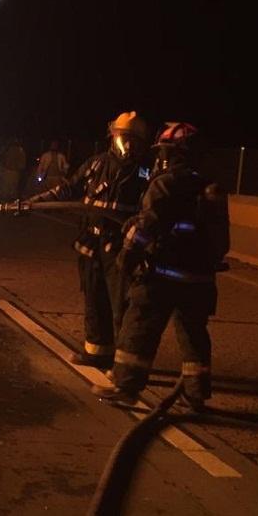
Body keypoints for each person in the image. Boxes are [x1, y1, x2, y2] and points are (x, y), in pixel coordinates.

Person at [94, 122, 229, 409]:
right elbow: (221, 241)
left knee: (139, 328)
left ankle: (125, 386)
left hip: (162, 275)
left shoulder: (167, 182)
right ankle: (196, 394)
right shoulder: (211, 187)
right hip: (199, 280)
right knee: (194, 337)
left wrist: (128, 254)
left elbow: (148, 223)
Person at [24, 112, 150, 368]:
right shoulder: (96, 164)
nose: (129, 145)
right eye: (125, 138)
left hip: (121, 248)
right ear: (113, 137)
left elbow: (151, 210)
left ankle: (124, 363)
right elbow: (69, 188)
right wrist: (35, 202)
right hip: (92, 245)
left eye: (135, 140)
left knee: (122, 306)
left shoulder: (146, 172)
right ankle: (96, 352)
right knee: (94, 300)